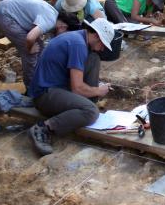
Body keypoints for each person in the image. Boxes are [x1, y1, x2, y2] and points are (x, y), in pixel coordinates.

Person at [28, 18, 115, 156]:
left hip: (56, 87)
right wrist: (98, 90)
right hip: (44, 94)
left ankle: (86, 104)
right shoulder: (78, 45)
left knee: (94, 59)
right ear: (97, 36)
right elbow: (77, 88)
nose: (103, 48)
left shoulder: (79, 38)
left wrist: (94, 89)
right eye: (103, 43)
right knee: (91, 112)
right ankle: (44, 128)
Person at [0, 0, 79, 89]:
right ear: (63, 27)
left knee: (40, 47)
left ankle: (40, 78)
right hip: (5, 14)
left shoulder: (55, 16)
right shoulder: (50, 21)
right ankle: (31, 89)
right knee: (30, 54)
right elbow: (30, 38)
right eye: (66, 35)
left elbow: (37, 30)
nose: (63, 38)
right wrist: (30, 48)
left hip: (8, 8)